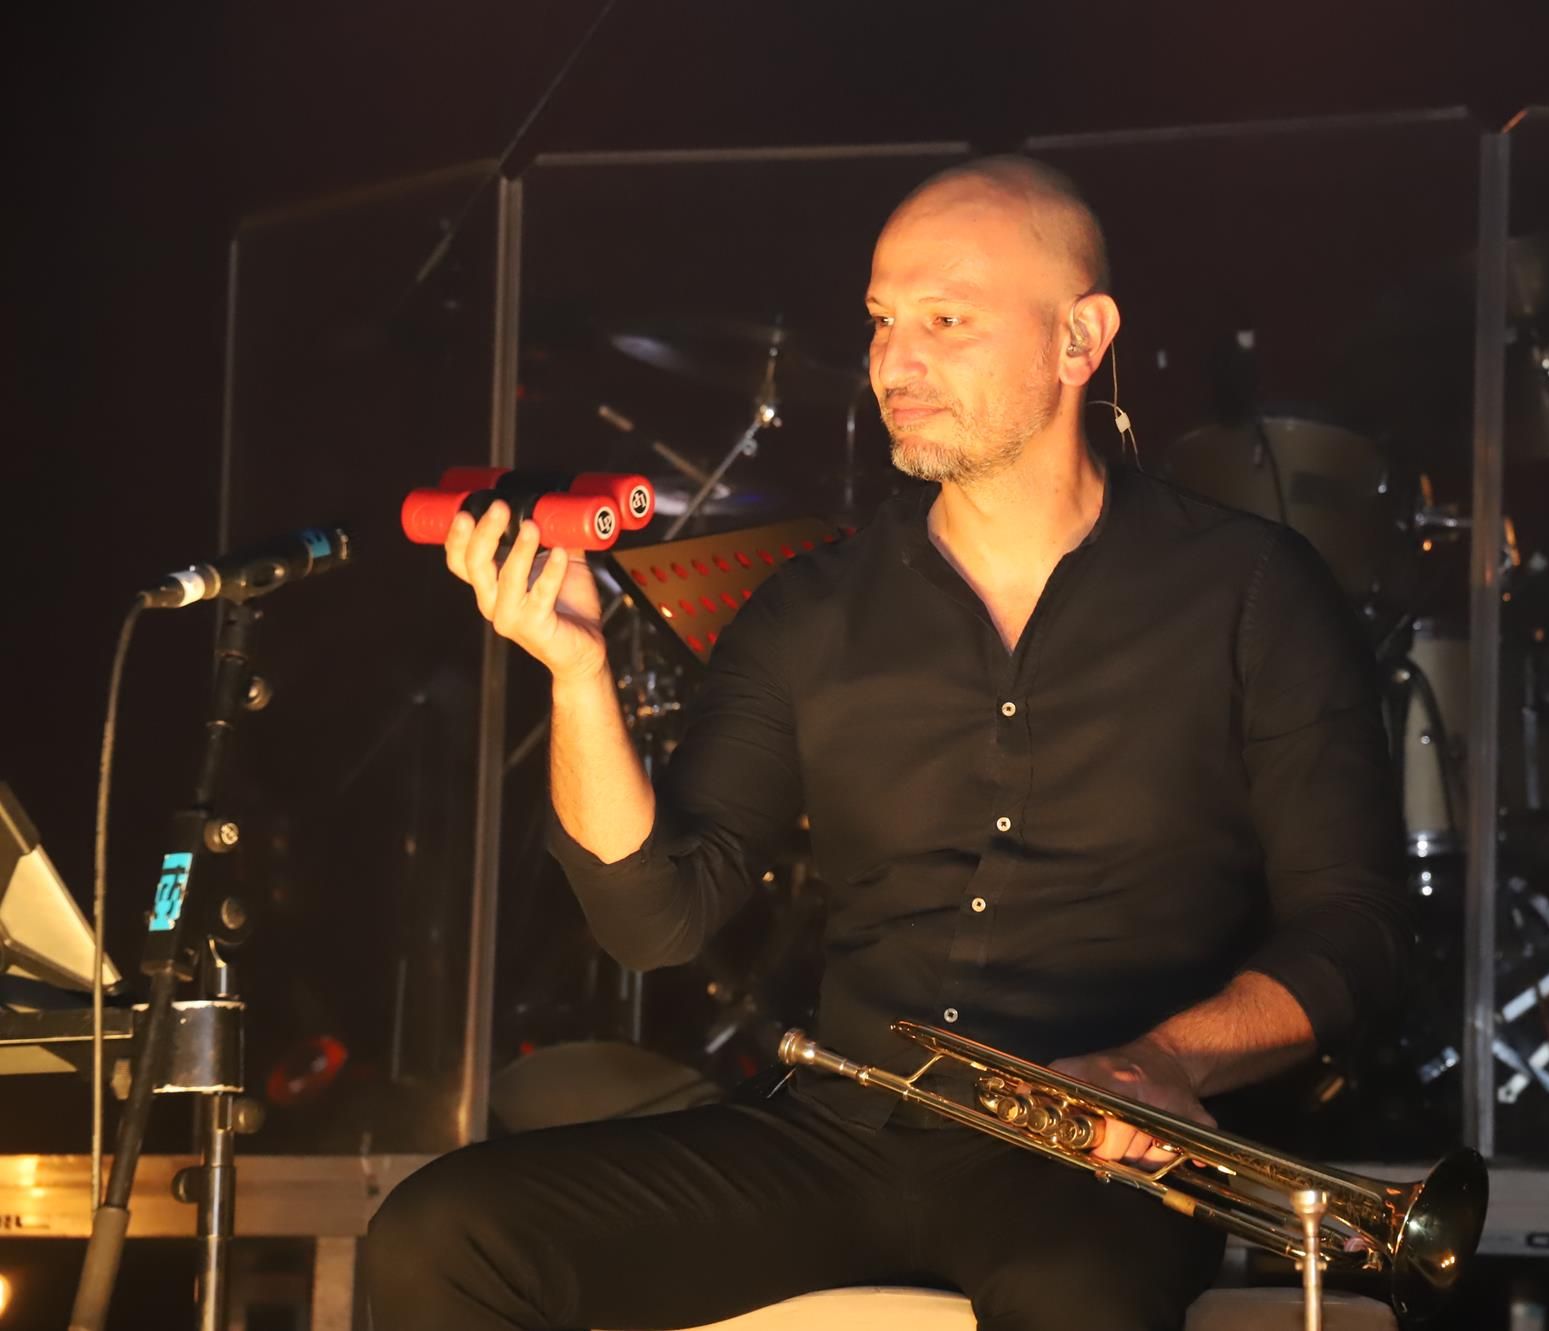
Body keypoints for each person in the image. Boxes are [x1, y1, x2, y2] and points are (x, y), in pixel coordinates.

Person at [364, 155, 1409, 1331]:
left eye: (944, 321)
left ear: (1079, 338)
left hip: (1091, 1165)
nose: (894, 363)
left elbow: (1353, 927)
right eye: (879, 320)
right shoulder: (809, 609)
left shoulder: (1251, 589)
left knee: (1075, 1296)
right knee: (441, 1233)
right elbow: (654, 919)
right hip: (839, 1131)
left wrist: (1162, 1063)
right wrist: (578, 674)